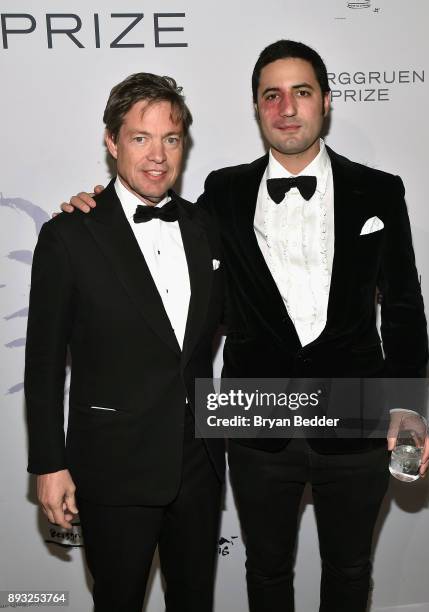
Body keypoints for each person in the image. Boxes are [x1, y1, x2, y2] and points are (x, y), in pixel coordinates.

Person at [62, 41, 429, 612]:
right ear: (257, 108)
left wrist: (409, 406)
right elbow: (150, 233)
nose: (287, 107)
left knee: (351, 570)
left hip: (360, 413)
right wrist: (95, 208)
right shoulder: (222, 193)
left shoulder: (380, 190)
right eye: (272, 95)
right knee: (265, 573)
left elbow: (404, 305)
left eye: (301, 92)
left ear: (326, 103)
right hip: (255, 417)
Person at [25, 72, 225, 612]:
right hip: (113, 464)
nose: (157, 155)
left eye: (171, 138)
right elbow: (43, 361)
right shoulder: (70, 234)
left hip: (198, 464)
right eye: (140, 137)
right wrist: (48, 464)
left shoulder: (205, 227)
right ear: (112, 142)